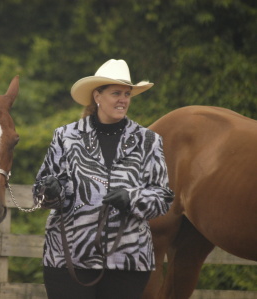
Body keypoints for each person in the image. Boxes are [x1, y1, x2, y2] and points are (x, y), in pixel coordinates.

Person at [32, 59, 174, 299]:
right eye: (116, 93)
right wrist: (52, 191)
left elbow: (162, 197)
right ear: (97, 96)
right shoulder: (66, 136)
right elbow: (39, 193)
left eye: (127, 94)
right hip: (69, 257)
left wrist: (132, 198)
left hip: (128, 260)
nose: (123, 99)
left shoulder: (149, 141)